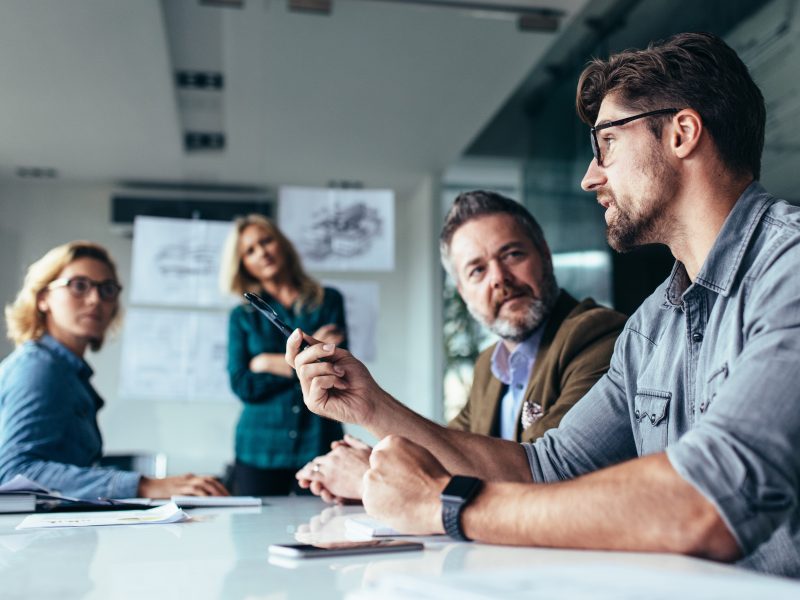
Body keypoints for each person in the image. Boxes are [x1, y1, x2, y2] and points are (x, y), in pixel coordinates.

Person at [286, 32, 800, 577]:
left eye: (606, 144)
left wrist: (446, 504)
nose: (590, 176)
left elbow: (708, 502)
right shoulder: (654, 325)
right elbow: (544, 468)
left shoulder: (786, 271)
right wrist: (371, 407)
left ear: (682, 133)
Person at [296, 191, 626, 503]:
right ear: (462, 291)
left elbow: (540, 476)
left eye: (512, 255)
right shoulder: (489, 365)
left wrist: (370, 474)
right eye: (477, 270)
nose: (498, 278)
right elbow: (448, 453)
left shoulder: (597, 336)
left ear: (544, 254)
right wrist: (377, 462)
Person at [0, 241, 229, 499]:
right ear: (43, 298)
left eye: (107, 289)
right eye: (78, 285)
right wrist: (144, 485)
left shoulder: (67, 372)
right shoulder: (38, 368)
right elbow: (14, 473)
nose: (95, 299)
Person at [221, 214, 347, 495]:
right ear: (243, 264)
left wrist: (265, 362)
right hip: (259, 448)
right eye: (250, 250)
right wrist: (304, 363)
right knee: (253, 535)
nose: (262, 252)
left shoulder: (328, 301)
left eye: (266, 241)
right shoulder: (242, 317)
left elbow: (334, 369)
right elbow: (242, 384)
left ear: (281, 244)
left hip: (318, 441)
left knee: (323, 528)